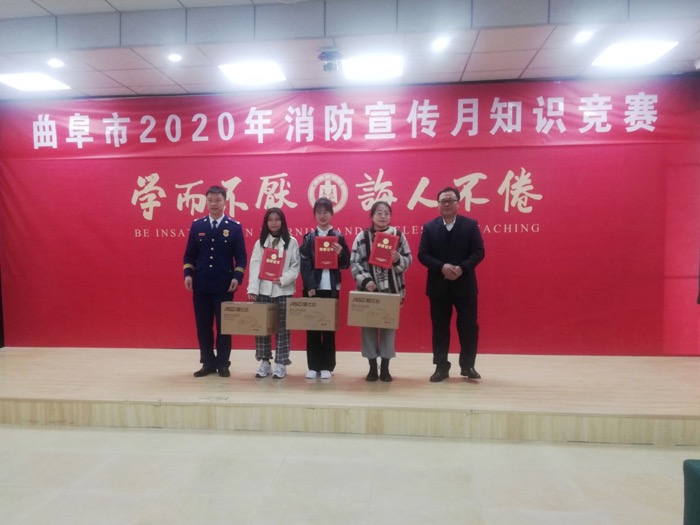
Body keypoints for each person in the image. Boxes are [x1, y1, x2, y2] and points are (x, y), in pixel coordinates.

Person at [418, 186, 485, 382]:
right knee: (440, 329)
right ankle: (441, 367)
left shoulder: (470, 225)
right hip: (438, 287)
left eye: (451, 200)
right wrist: (442, 267)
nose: (447, 204)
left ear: (458, 203)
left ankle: (468, 366)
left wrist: (462, 268)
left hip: (465, 286)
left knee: (469, 327)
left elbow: (479, 252)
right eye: (443, 201)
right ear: (438, 204)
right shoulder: (429, 227)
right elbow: (423, 254)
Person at [183, 185, 247, 378]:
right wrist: (188, 274)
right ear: (206, 202)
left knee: (224, 327)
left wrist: (237, 277)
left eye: (218, 200)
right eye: (210, 200)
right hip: (201, 285)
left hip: (224, 286)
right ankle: (207, 363)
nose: (214, 204)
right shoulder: (198, 225)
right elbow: (189, 255)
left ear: (225, 202)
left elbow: (241, 258)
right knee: (203, 326)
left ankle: (223, 363)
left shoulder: (234, 227)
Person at [350, 201, 412, 382]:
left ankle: (385, 367)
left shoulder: (398, 235)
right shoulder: (362, 236)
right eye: (379, 212)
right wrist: (366, 281)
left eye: (386, 213)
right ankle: (371, 366)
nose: (383, 216)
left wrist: (398, 259)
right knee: (368, 329)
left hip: (392, 290)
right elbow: (354, 262)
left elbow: (408, 260)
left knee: (388, 329)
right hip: (368, 291)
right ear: (372, 216)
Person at [299, 198, 351, 380]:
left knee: (328, 328)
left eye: (325, 212)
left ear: (332, 214)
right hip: (313, 289)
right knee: (312, 328)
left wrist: (341, 253)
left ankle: (327, 366)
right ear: (314, 215)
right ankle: (313, 366)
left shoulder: (339, 237)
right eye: (319, 212)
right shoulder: (309, 238)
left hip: (331, 288)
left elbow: (346, 264)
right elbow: (305, 264)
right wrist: (310, 286)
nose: (322, 215)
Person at [247, 207, 300, 379]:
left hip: (283, 290)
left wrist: (283, 279)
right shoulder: (260, 242)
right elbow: (255, 266)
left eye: (277, 219)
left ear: (282, 222)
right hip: (263, 290)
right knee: (262, 328)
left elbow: (295, 266)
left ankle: (281, 363)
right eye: (270, 220)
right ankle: (265, 362)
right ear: (266, 223)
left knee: (282, 328)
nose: (274, 223)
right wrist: (252, 289)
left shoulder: (291, 242)